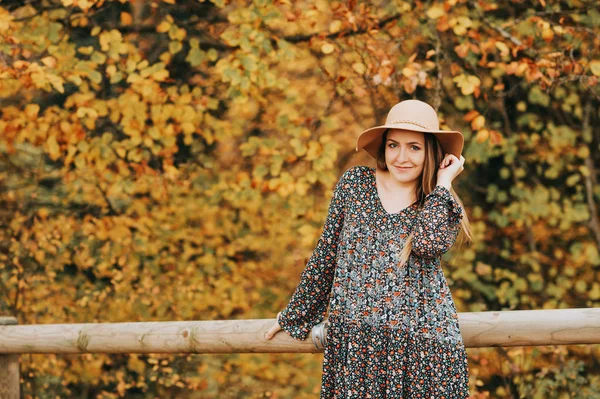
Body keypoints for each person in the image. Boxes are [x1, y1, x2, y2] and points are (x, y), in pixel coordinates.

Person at [265, 99, 472, 398]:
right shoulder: (355, 184)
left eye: (414, 147)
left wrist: (442, 184)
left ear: (432, 152)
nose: (401, 156)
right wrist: (295, 317)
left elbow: (428, 245)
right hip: (356, 349)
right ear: (383, 148)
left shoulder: (438, 202)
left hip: (422, 353)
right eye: (393, 145)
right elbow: (326, 256)